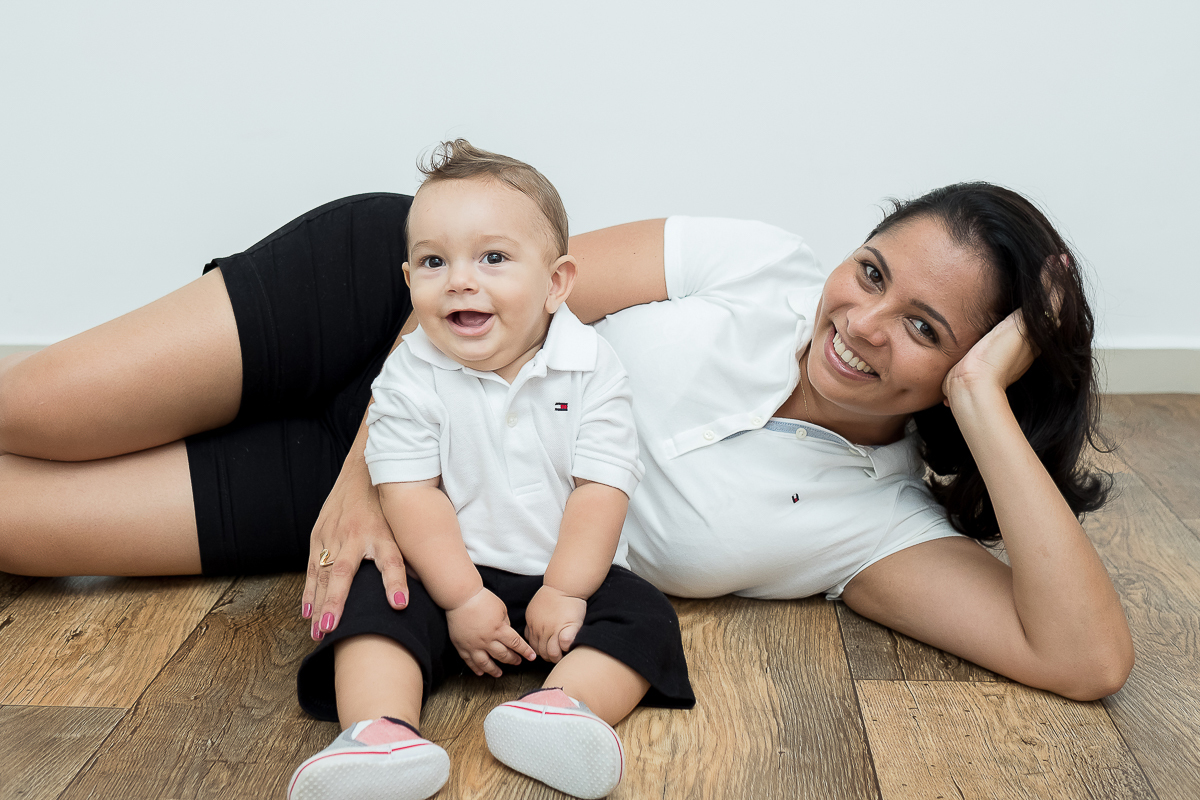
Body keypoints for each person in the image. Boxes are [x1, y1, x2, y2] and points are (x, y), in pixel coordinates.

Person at [0, 163, 1133, 765]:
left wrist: (987, 403)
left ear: (971, 373)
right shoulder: (756, 263)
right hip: (379, 322)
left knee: (20, 522)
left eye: (931, 332)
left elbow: (1084, 657)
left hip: (409, 512)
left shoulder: (871, 527)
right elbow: (524, 283)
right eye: (875, 271)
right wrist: (362, 475)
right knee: (34, 408)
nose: (866, 323)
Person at [286, 141, 692, 800]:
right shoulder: (410, 374)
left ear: (556, 283)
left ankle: (565, 708)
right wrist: (462, 598)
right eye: (434, 261)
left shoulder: (593, 365)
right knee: (374, 599)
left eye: (493, 258)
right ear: (409, 277)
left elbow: (601, 488)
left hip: (564, 572)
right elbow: (411, 495)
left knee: (644, 616)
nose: (460, 280)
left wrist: (564, 589)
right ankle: (378, 735)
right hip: (445, 568)